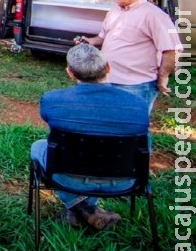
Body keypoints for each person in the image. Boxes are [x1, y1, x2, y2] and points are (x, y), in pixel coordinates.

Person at [30, 44, 150, 230]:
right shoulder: (138, 105)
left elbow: (49, 120)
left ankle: (80, 208)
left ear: (70, 72)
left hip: (66, 177)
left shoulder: (52, 100)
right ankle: (87, 210)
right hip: (125, 180)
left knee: (38, 146)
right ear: (108, 67)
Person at [76, 0, 181, 112]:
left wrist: (163, 77)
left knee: (131, 126)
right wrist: (89, 41)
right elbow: (104, 36)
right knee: (107, 120)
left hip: (136, 85)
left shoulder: (154, 15)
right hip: (106, 79)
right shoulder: (114, 11)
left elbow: (172, 49)